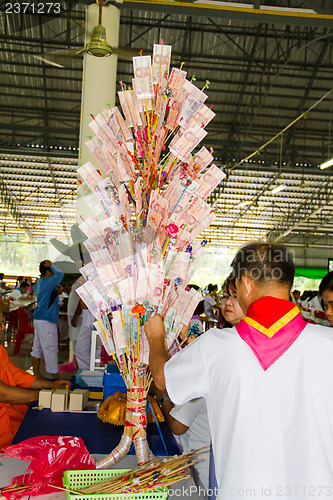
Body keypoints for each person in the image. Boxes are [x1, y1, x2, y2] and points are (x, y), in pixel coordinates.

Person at [145, 242, 333, 500]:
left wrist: (156, 337)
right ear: (289, 285)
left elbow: (162, 378)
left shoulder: (214, 347)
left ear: (246, 284)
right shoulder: (328, 344)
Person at [0, 311, 70, 451]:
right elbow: (4, 394)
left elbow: (16, 375)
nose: (3, 328)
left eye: (2, 323)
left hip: (11, 418)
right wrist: (44, 395)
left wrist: (50, 384)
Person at [31, 260, 64, 379]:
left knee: (37, 348)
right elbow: (60, 275)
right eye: (51, 271)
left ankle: (36, 375)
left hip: (39, 320)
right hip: (47, 322)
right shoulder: (47, 282)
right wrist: (52, 265)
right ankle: (55, 377)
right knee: (51, 349)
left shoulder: (38, 282)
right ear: (48, 271)